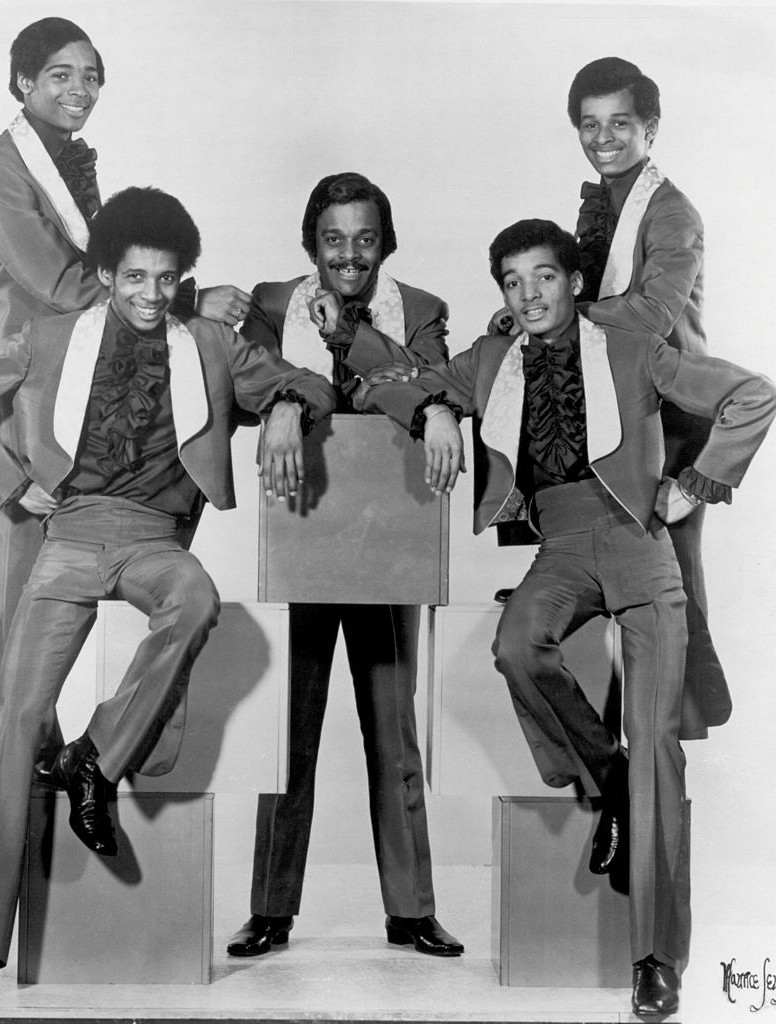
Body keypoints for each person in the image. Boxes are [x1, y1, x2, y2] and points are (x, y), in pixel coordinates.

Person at [0, 186, 335, 1013]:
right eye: (135, 278)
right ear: (107, 272)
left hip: (153, 538)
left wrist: (285, 408)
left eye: (167, 280)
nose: (150, 296)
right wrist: (10, 485)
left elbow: (304, 381)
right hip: (68, 536)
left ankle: (94, 761)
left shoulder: (210, 342)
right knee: (13, 716)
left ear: (184, 280)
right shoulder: (47, 338)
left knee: (198, 597)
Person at [356, 220, 775, 1017]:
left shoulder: (631, 349)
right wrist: (435, 412)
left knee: (657, 749)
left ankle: (655, 961)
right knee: (518, 647)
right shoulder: (492, 362)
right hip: (563, 546)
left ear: (574, 282)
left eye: (543, 278)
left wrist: (698, 484)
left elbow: (752, 392)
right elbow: (393, 375)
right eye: (512, 282)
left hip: (641, 545)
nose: (529, 295)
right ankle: (604, 775)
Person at [0, 17, 253, 747]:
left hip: (85, 386)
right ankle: (14, 740)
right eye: (61, 74)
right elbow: (70, 284)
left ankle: (70, 750)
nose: (81, 89)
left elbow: (113, 270)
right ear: (24, 82)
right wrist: (189, 300)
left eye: (92, 75)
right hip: (32, 401)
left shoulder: (62, 160)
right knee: (28, 603)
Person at [226, 172, 462, 959]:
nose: (349, 255)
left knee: (394, 734)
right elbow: (241, 377)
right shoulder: (268, 301)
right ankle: (270, 909)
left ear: (384, 242)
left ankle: (411, 910)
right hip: (300, 531)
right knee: (286, 733)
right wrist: (287, 402)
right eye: (333, 239)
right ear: (310, 244)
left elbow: (425, 383)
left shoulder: (423, 310)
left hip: (387, 540)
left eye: (364, 239)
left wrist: (420, 398)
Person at [569, 56, 727, 740]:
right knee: (627, 593)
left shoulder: (671, 212)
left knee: (669, 593)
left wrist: (558, 319)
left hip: (675, 426)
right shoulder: (602, 201)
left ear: (651, 129)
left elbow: (655, 313)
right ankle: (634, 760)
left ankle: (676, 736)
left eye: (620, 124)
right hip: (623, 418)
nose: (603, 138)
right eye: (589, 124)